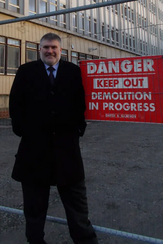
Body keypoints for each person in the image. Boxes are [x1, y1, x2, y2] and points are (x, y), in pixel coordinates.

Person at [9, 32, 98, 244]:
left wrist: (78, 129)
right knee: (34, 208)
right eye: (46, 47)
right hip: (34, 151)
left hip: (67, 151)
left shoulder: (72, 72)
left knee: (77, 208)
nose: (50, 51)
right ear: (39, 49)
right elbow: (15, 103)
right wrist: (22, 130)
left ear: (60, 50)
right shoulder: (26, 71)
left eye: (54, 47)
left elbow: (80, 104)